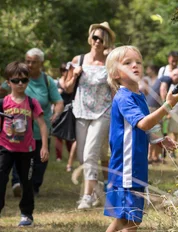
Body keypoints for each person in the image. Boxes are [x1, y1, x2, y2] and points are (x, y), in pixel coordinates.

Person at [99, 45, 178, 232]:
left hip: (135, 168)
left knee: (126, 219)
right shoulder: (124, 97)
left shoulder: (139, 96)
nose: (135, 65)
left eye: (138, 62)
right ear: (116, 74)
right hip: (126, 170)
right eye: (127, 63)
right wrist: (167, 106)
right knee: (128, 221)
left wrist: (159, 140)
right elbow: (143, 123)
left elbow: (142, 129)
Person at [63, 22, 115, 209]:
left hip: (103, 112)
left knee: (91, 152)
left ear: (106, 41)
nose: (97, 41)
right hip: (81, 111)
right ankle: (95, 189)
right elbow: (67, 88)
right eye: (95, 37)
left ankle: (86, 197)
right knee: (82, 157)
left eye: (102, 39)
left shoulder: (110, 63)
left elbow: (115, 90)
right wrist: (75, 75)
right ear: (90, 38)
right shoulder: (79, 59)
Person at [1, 48, 64, 196]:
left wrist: (56, 114)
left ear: (41, 63)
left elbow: (58, 102)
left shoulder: (47, 81)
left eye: (34, 62)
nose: (29, 64)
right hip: (17, 132)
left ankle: (33, 187)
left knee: (39, 162)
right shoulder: (16, 78)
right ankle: (17, 183)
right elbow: (3, 90)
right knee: (17, 156)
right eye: (27, 61)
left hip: (39, 130)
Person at [0, 61, 49, 227]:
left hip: (27, 150)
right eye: (15, 80)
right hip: (5, 149)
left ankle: (26, 214)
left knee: (26, 182)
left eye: (24, 80)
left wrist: (44, 146)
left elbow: (42, 124)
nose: (20, 84)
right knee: (1, 180)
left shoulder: (31, 102)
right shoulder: (3, 103)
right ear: (8, 83)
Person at [146, 68, 178, 164]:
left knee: (158, 132)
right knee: (156, 131)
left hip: (151, 106)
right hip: (154, 107)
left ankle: (154, 157)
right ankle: (150, 157)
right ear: (174, 75)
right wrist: (166, 106)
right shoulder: (167, 78)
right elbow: (163, 90)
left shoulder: (164, 78)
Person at [158, 51, 178, 155]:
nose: (174, 62)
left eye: (176, 60)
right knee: (163, 126)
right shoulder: (163, 70)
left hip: (177, 101)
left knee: (174, 127)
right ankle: (162, 150)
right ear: (169, 59)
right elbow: (160, 86)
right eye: (173, 60)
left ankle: (173, 150)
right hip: (163, 102)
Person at [54, 62, 76, 172]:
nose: (64, 72)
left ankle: (70, 157)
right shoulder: (57, 83)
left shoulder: (72, 81)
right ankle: (58, 157)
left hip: (70, 111)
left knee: (69, 135)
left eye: (65, 70)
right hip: (59, 111)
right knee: (58, 135)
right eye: (62, 70)